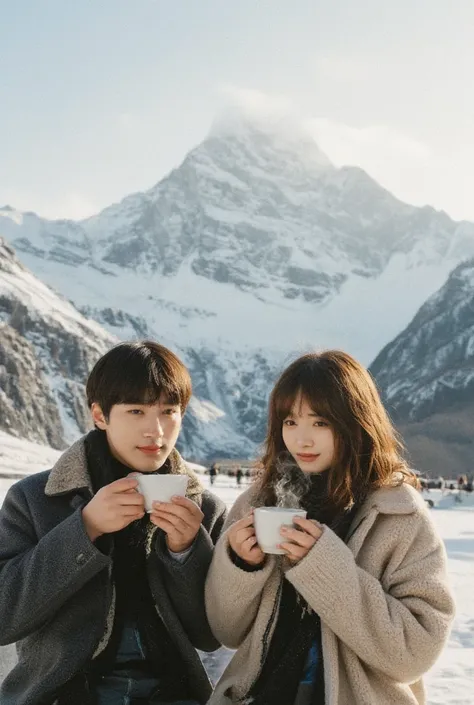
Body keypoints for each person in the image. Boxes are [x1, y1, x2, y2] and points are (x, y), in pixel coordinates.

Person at [205, 350, 455, 705]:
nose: (302, 439)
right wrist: (241, 566)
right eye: (290, 422)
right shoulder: (258, 503)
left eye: (320, 422)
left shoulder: (397, 514)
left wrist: (325, 569)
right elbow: (225, 632)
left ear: (356, 422)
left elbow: (414, 655)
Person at [0, 341, 227, 705]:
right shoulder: (34, 499)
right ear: (100, 415)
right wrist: (84, 529)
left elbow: (211, 636)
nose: (156, 430)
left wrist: (186, 553)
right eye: (136, 411)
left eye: (169, 411)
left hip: (172, 694)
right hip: (63, 695)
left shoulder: (203, 508)